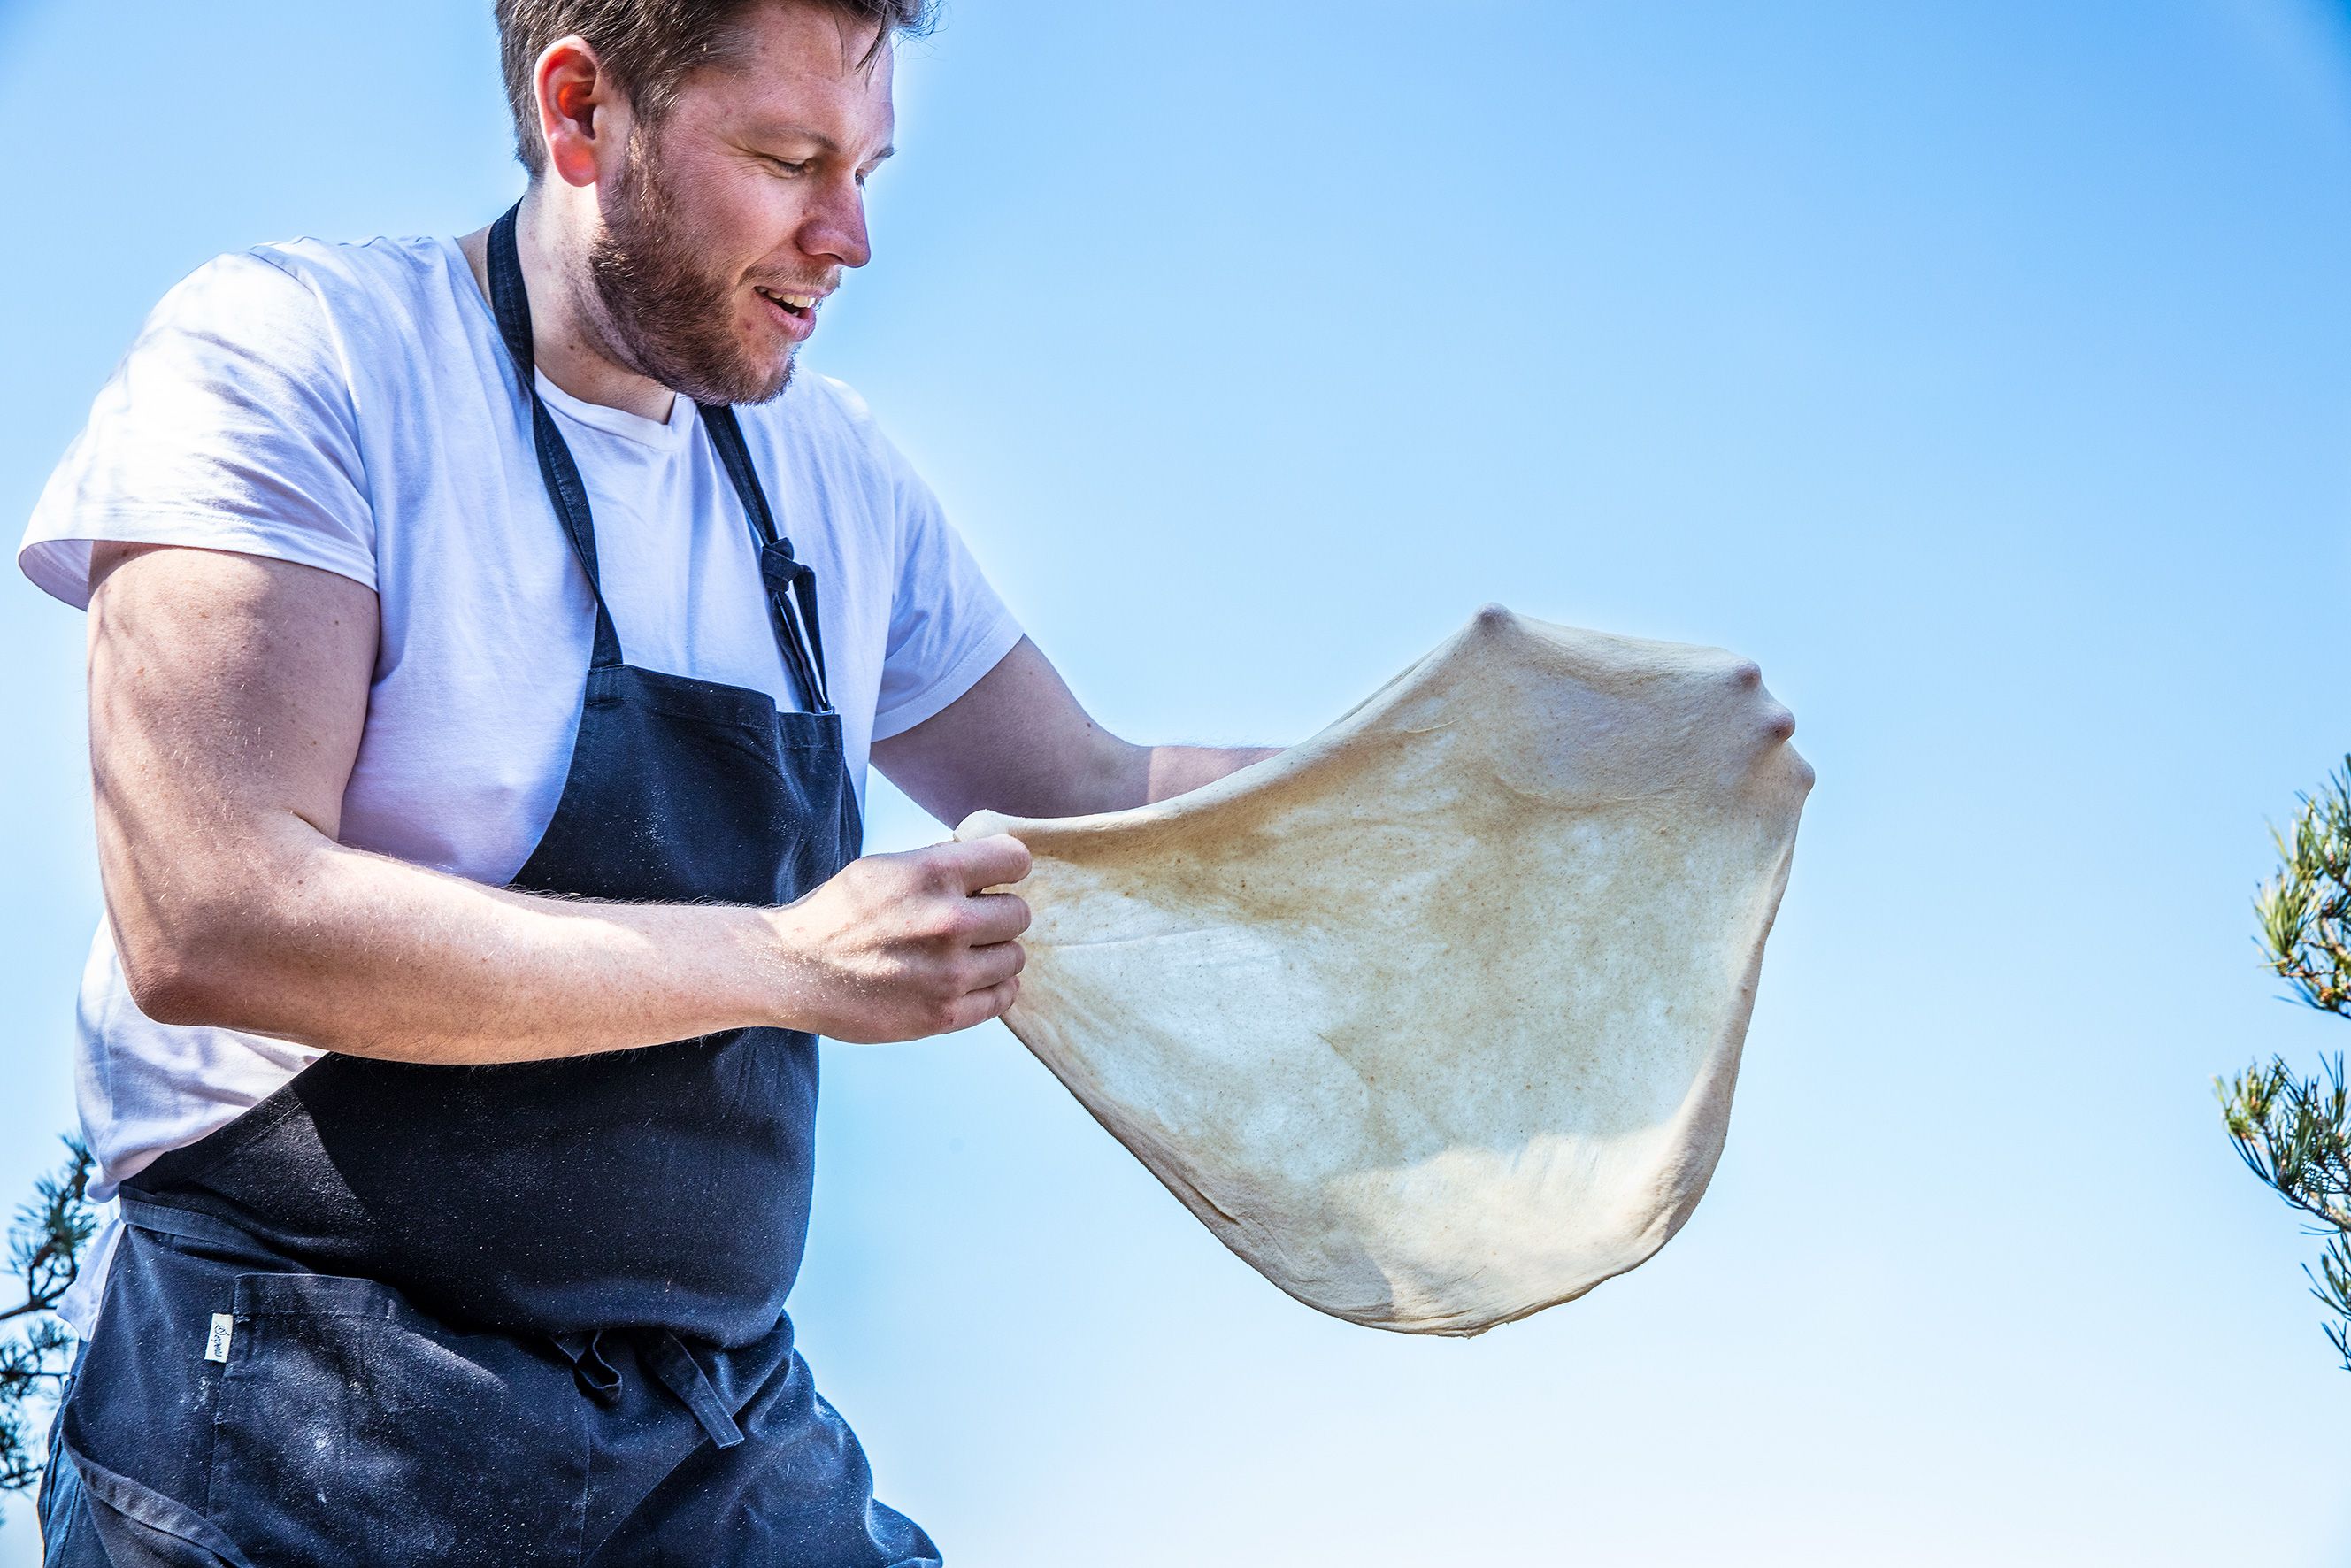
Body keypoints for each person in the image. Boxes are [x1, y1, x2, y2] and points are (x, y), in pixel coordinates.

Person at [17, 2, 1275, 1563]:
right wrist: (785, 963)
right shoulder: (299, 353)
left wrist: (1492, 785)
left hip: (715, 1433)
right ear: (580, 113)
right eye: (788, 158)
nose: (852, 235)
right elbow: (214, 913)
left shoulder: (839, 476)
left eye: (868, 166)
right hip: (297, 1398)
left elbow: (1089, 785)